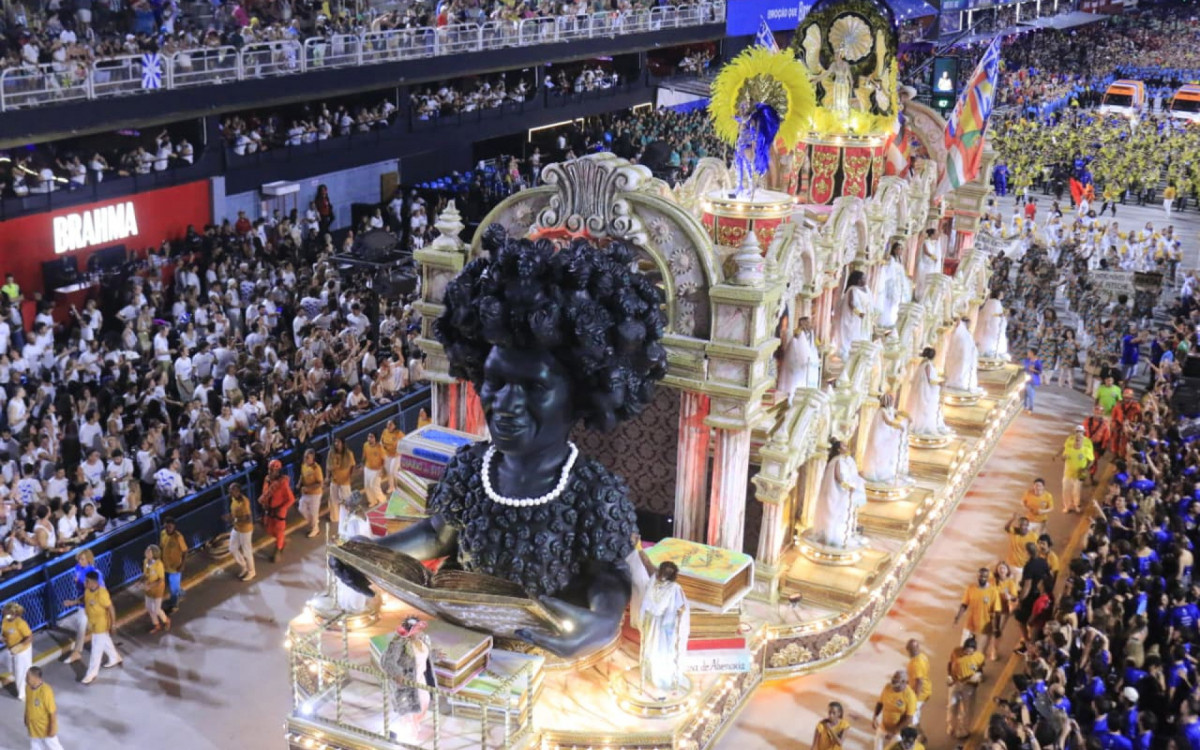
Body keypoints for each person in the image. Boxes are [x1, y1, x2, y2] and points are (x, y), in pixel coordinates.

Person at [332, 229, 665, 658]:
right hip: (461, 646)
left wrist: (601, 622)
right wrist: (369, 555)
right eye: (495, 381)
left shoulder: (595, 490)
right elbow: (437, 534)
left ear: (580, 396)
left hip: (548, 656)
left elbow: (609, 575)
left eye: (532, 387)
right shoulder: (470, 468)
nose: (505, 404)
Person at [638, 560, 689, 699]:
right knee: (649, 649)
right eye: (664, 570)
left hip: (663, 626)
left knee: (660, 652)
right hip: (650, 622)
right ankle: (649, 674)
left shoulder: (675, 588)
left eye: (668, 572)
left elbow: (681, 606)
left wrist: (679, 613)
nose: (665, 574)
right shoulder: (653, 582)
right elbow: (647, 600)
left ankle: (661, 678)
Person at [381, 616, 435, 740]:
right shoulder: (399, 644)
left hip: (421, 678)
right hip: (407, 682)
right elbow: (387, 661)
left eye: (419, 628)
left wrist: (435, 655)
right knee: (410, 708)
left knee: (425, 701)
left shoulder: (423, 640)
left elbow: (424, 656)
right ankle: (409, 731)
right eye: (416, 629)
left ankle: (414, 724)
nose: (419, 631)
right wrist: (397, 673)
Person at [809, 440, 867, 550]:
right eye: (844, 446)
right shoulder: (837, 461)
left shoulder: (847, 460)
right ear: (839, 449)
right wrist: (847, 486)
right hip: (836, 493)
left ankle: (842, 536)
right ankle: (832, 538)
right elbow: (838, 477)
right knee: (834, 515)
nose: (847, 446)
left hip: (843, 493)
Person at [79, 570, 120, 684]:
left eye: (87, 581)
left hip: (101, 624)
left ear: (94, 582)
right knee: (105, 642)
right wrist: (73, 602)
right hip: (93, 623)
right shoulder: (88, 591)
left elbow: (111, 608)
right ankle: (114, 657)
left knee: (96, 650)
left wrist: (113, 625)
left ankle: (91, 674)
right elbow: (84, 599)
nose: (85, 583)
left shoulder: (102, 594)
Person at [61, 550, 102, 665]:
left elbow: (91, 593)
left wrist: (73, 602)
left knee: (87, 627)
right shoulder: (78, 567)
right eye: (79, 559)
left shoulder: (93, 573)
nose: (80, 561)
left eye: (82, 559)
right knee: (82, 626)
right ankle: (77, 652)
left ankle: (78, 652)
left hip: (90, 604)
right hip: (82, 604)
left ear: (88, 559)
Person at [860, 394, 910, 487]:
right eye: (890, 401)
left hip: (885, 434)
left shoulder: (889, 409)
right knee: (878, 453)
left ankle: (882, 471)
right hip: (879, 436)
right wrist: (897, 426)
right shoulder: (882, 411)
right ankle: (874, 471)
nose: (892, 402)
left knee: (884, 453)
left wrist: (906, 415)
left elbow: (897, 412)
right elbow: (888, 421)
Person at [337, 493, 375, 614]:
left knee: (353, 581)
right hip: (357, 551)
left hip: (356, 554)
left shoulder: (355, 520)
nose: (346, 507)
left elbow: (354, 539)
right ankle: (350, 604)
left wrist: (342, 545)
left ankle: (355, 607)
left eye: (348, 504)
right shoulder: (358, 513)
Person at [906, 348, 952, 439]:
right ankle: (924, 426)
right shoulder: (927, 365)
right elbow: (930, 380)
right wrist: (940, 383)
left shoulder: (923, 364)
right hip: (927, 392)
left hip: (925, 391)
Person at [946, 637, 985, 740]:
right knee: (952, 706)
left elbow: (979, 670)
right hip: (955, 683)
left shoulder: (978, 657)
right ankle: (952, 726)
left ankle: (963, 730)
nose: (968, 652)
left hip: (969, 686)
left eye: (971, 651)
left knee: (967, 709)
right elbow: (950, 664)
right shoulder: (956, 652)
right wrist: (949, 676)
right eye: (967, 650)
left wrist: (977, 677)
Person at [777, 317, 821, 404]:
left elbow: (817, 343)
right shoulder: (798, 331)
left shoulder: (811, 333)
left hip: (809, 359)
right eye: (807, 323)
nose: (809, 324)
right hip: (798, 358)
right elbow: (796, 338)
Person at [954, 567, 998, 652]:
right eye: (981, 576)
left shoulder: (993, 591)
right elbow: (964, 604)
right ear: (977, 576)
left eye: (985, 576)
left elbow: (996, 611)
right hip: (969, 624)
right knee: (963, 648)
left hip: (984, 627)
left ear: (988, 577)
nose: (983, 578)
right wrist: (957, 618)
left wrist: (996, 627)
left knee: (979, 651)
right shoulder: (970, 588)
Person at [260, 459, 295, 563]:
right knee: (269, 529)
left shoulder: (282, 483)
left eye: (272, 470)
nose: (270, 472)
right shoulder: (267, 480)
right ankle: (282, 541)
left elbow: (291, 499)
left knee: (279, 531)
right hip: (269, 510)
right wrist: (265, 503)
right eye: (269, 470)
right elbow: (265, 492)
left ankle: (278, 550)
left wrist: (282, 508)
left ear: (278, 471)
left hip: (279, 511)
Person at [872, 669, 916, 750]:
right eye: (893, 683)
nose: (894, 687)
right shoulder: (887, 687)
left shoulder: (910, 696)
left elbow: (909, 719)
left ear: (904, 682)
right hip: (884, 726)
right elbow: (880, 703)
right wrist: (875, 716)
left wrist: (894, 732)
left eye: (897, 685)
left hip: (899, 732)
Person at [875, 242, 913, 330]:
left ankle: (893, 321)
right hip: (892, 283)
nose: (900, 251)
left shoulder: (899, 261)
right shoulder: (891, 259)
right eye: (899, 249)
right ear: (894, 250)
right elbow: (887, 269)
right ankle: (885, 322)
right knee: (889, 302)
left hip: (899, 284)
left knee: (896, 304)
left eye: (901, 249)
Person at [834, 271, 871, 361]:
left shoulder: (865, 289)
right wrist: (859, 313)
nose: (865, 280)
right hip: (854, 318)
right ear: (858, 280)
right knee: (853, 336)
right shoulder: (852, 290)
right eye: (863, 278)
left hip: (862, 318)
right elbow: (851, 304)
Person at [24, 667, 63, 750]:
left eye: (28, 677)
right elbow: (28, 704)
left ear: (36, 678)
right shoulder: (28, 687)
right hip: (33, 727)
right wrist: (25, 717)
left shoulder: (46, 691)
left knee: (54, 746)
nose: (26, 679)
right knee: (35, 746)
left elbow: (52, 712)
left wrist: (52, 728)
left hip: (45, 728)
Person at [1058, 425, 1094, 513]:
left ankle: (1076, 505)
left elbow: (1091, 460)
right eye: (1077, 431)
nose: (1078, 434)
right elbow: (1063, 455)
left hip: (1079, 475)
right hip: (1068, 473)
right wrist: (1061, 456)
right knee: (1066, 490)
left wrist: (1085, 469)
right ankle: (1067, 506)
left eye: (1080, 432)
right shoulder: (1069, 445)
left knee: (1076, 491)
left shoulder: (1087, 446)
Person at [944, 317, 982, 395]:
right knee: (960, 372)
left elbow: (970, 345)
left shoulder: (966, 333)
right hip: (961, 358)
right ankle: (958, 383)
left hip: (966, 358)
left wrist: (975, 347)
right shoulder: (961, 332)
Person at [3, 602, 33, 700]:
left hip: (23, 650)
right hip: (12, 650)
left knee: (21, 670)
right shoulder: (5, 621)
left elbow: (29, 637)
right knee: (14, 669)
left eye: (6, 612)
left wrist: (19, 647)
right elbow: (5, 634)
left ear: (13, 613)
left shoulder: (20, 623)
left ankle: (22, 694)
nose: (4, 613)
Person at [226, 482, 255, 582]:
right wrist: (230, 517)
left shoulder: (244, 502)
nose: (229, 493)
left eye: (231, 491)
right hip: (237, 527)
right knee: (232, 548)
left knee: (247, 551)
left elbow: (249, 519)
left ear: (237, 491)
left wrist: (234, 519)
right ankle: (244, 566)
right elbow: (235, 513)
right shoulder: (234, 499)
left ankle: (251, 571)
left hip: (245, 530)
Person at [326, 437, 354, 532]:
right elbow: (328, 466)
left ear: (342, 443)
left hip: (345, 481)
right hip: (334, 480)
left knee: (347, 500)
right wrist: (327, 477)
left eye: (338, 442)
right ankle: (335, 517)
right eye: (335, 442)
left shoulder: (349, 454)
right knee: (333, 499)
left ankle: (349, 515)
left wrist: (349, 477)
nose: (336, 443)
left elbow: (352, 466)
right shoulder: (331, 453)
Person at [160, 516, 187, 612]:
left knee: (173, 588)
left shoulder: (178, 537)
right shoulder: (163, 534)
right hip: (165, 566)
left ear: (174, 527)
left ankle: (174, 604)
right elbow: (161, 547)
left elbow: (184, 551)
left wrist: (182, 565)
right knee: (172, 585)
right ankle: (180, 593)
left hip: (175, 567)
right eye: (166, 527)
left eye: (170, 527)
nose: (168, 529)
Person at [141, 544, 170, 633]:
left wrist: (150, 586)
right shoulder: (146, 561)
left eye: (149, 551)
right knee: (149, 607)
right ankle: (156, 624)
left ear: (154, 554)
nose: (146, 552)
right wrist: (140, 581)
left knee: (157, 610)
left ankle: (166, 620)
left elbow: (161, 580)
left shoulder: (158, 564)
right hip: (148, 588)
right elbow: (145, 574)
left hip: (157, 589)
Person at [298, 449, 324, 539]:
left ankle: (315, 529)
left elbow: (320, 483)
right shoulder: (303, 465)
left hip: (315, 494)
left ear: (313, 458)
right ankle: (314, 522)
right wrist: (299, 483)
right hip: (305, 493)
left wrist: (308, 488)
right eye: (304, 456)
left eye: (307, 457)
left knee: (313, 513)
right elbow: (302, 475)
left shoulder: (316, 468)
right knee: (301, 508)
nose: (305, 459)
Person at [905, 639, 931, 726]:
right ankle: (919, 733)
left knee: (911, 718)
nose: (909, 652)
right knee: (916, 715)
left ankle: (917, 733)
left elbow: (919, 681)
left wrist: (915, 698)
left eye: (910, 650)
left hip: (920, 694)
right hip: (926, 689)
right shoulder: (923, 657)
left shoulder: (916, 664)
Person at [915, 228, 943, 299]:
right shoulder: (926, 242)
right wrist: (933, 257)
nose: (937, 235)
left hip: (931, 265)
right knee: (924, 280)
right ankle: (921, 296)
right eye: (936, 234)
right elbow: (926, 251)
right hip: (926, 265)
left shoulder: (934, 243)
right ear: (932, 235)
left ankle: (928, 296)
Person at [361, 432, 386, 507]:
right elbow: (364, 456)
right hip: (367, 468)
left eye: (371, 437)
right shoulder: (365, 445)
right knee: (367, 486)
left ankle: (382, 500)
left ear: (375, 438)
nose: (369, 438)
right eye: (369, 437)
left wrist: (382, 470)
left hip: (377, 470)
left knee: (374, 486)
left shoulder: (379, 447)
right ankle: (372, 501)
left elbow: (384, 459)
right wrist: (362, 464)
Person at [1021, 347, 1043, 414]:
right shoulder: (1026, 360)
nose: (1028, 353)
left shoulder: (1038, 362)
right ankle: (1024, 406)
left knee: (1030, 393)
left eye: (1029, 352)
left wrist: (1033, 370)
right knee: (1025, 394)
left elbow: (1040, 371)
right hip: (1025, 379)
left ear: (1032, 353)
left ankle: (1030, 407)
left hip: (1033, 380)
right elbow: (1022, 368)